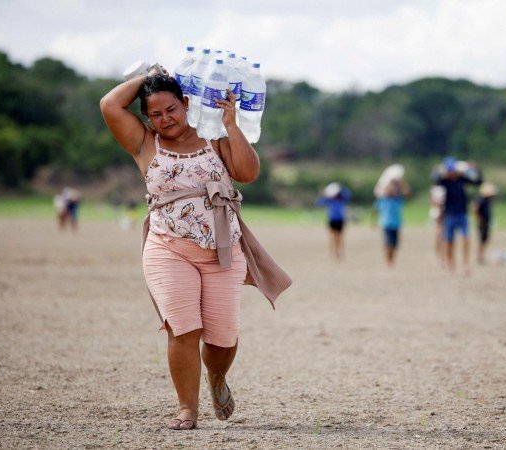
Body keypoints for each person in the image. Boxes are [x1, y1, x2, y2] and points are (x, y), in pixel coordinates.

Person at [100, 68, 291, 430]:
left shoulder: (213, 135)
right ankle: (187, 409)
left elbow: (248, 173)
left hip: (222, 250)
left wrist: (231, 125)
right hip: (167, 247)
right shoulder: (145, 143)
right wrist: (150, 76)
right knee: (182, 329)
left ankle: (216, 377)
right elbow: (109, 104)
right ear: (146, 118)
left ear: (187, 103)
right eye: (155, 114)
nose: (165, 119)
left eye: (171, 109)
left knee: (223, 338)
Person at [431, 157, 482, 275]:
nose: (452, 173)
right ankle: (451, 263)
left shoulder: (462, 179)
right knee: (449, 241)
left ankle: (465, 264)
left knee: (465, 239)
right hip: (449, 214)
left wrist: (474, 169)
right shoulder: (444, 181)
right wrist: (438, 170)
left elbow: (478, 181)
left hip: (462, 213)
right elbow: (434, 179)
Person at [372, 165, 411, 267]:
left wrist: (401, 181)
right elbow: (375, 209)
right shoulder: (382, 199)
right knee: (388, 243)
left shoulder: (397, 200)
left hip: (396, 224)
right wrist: (373, 222)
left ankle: (391, 259)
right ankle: (388, 260)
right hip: (386, 224)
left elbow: (407, 193)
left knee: (395, 244)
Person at [316, 182, 352, 261]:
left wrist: (341, 188)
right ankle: (332, 253)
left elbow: (348, 195)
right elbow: (319, 203)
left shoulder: (342, 199)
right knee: (332, 237)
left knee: (339, 237)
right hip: (332, 219)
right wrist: (323, 194)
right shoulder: (329, 200)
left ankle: (339, 252)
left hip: (340, 219)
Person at [474, 182, 497, 265]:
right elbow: (475, 209)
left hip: (486, 222)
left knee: (485, 240)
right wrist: (480, 219)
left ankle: (481, 255)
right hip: (482, 223)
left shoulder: (488, 201)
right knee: (481, 240)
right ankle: (479, 256)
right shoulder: (481, 200)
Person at [429, 185, 447, 266]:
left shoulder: (446, 187)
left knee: (444, 237)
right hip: (437, 212)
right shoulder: (435, 189)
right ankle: (439, 256)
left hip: (446, 212)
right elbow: (432, 201)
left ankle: (443, 256)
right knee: (439, 236)